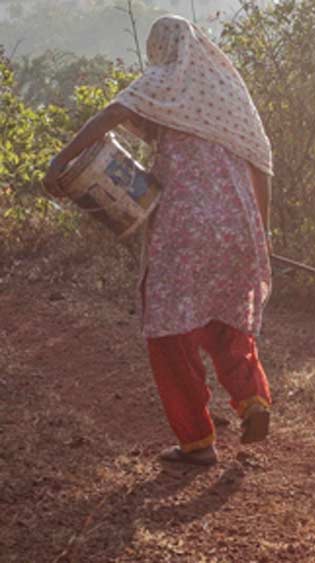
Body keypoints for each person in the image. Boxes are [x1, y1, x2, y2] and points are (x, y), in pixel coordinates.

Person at [43, 15, 275, 467]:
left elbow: (113, 114)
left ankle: (197, 440)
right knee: (225, 317)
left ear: (162, 50)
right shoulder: (229, 94)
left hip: (184, 228)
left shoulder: (166, 82)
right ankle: (253, 401)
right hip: (238, 225)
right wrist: (259, 234)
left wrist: (61, 160)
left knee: (169, 327)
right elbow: (262, 164)